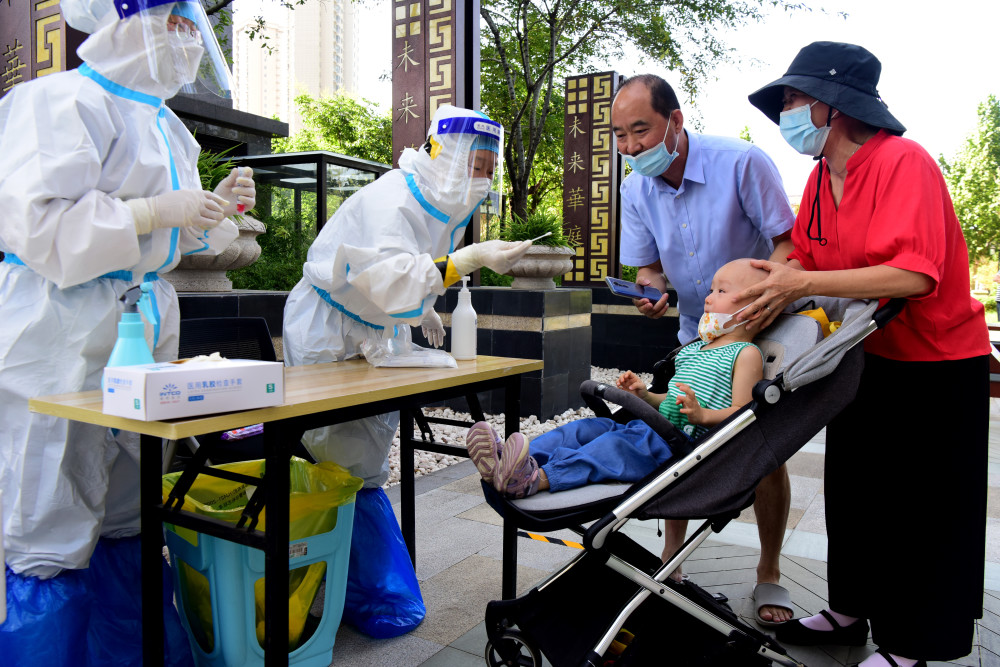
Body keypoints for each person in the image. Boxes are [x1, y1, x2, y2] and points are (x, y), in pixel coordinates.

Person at [0, 0, 253, 662]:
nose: (186, 36)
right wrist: (144, 211)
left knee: (127, 506)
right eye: (172, 18)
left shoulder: (166, 124)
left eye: (188, 23)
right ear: (121, 17)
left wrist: (214, 206)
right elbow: (42, 231)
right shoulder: (56, 101)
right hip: (59, 329)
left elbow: (177, 231)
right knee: (48, 517)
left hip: (138, 321)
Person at [741, 41, 990, 667]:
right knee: (854, 489)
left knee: (921, 508)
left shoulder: (902, 162)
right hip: (864, 358)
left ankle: (912, 644)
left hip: (936, 365)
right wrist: (766, 282)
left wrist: (799, 284)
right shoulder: (823, 177)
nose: (787, 111)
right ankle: (848, 612)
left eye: (796, 99)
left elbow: (913, 275)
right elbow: (800, 251)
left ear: (833, 106)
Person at [281, 103, 531, 636]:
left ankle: (343, 577)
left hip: (377, 328)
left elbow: (410, 273)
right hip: (329, 327)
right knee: (337, 455)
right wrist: (464, 263)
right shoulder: (394, 198)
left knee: (366, 450)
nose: (482, 178)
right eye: (475, 165)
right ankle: (350, 580)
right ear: (442, 155)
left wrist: (425, 310)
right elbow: (390, 274)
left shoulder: (441, 205)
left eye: (490, 168)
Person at [611, 72, 796, 625]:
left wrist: (761, 305)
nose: (631, 147)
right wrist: (652, 292)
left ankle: (768, 571)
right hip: (695, 327)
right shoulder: (634, 187)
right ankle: (672, 557)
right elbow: (648, 267)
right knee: (678, 429)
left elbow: (787, 243)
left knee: (763, 443)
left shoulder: (741, 162)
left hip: (760, 324)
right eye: (619, 135)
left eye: (639, 131)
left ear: (675, 121)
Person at [466, 258, 765, 502]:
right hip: (652, 429)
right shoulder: (695, 349)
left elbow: (744, 412)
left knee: (609, 447)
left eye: (721, 292)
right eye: (711, 290)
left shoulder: (745, 354)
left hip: (682, 446)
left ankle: (536, 479)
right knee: (587, 428)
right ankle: (513, 459)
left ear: (752, 310)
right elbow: (672, 400)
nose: (708, 298)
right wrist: (646, 396)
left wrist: (703, 415)